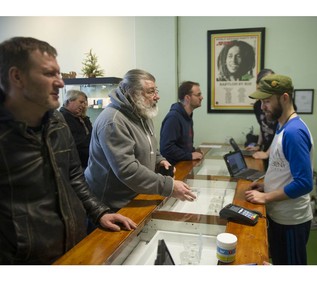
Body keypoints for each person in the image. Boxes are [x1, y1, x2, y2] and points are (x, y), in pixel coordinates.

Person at [0, 37, 136, 265]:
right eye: (48, 74)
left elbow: (73, 176)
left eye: (59, 74)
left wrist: (99, 212)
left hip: (75, 247)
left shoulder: (57, 123)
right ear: (17, 76)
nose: (61, 83)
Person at [85, 69, 197, 211]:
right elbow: (127, 169)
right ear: (132, 93)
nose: (157, 97)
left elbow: (151, 148)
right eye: (151, 92)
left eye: (156, 91)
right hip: (109, 205)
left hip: (134, 196)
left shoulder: (142, 113)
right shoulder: (113, 121)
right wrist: (169, 186)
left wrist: (159, 160)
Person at [245, 74, 314, 265]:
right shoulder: (282, 126)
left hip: (291, 220)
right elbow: (282, 167)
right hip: (279, 214)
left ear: (284, 97)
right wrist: (265, 185)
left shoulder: (293, 132)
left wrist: (266, 197)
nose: (262, 107)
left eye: (267, 101)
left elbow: (304, 183)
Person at [160, 81, 204, 165]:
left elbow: (183, 145)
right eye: (198, 95)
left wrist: (193, 152)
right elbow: (166, 148)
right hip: (175, 168)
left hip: (184, 164)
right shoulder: (173, 118)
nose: (201, 97)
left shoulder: (188, 116)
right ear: (188, 97)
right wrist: (189, 155)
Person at [247, 69, 277, 164]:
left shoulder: (279, 106)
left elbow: (281, 134)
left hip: (277, 154)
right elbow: (263, 126)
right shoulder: (257, 106)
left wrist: (268, 153)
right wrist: (258, 145)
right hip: (265, 150)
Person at [60, 89, 92, 169]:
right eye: (81, 102)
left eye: (85, 103)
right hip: (76, 165)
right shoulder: (62, 119)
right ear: (69, 101)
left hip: (87, 163)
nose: (84, 105)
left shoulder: (83, 118)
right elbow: (76, 142)